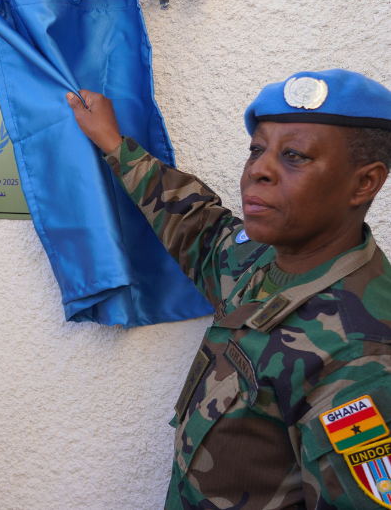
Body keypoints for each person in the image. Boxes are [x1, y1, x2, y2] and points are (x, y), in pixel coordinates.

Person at [68, 69, 391, 509]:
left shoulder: (361, 355)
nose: (259, 169)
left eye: (294, 156)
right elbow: (196, 224)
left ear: (364, 183)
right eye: (257, 149)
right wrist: (113, 143)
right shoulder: (263, 257)